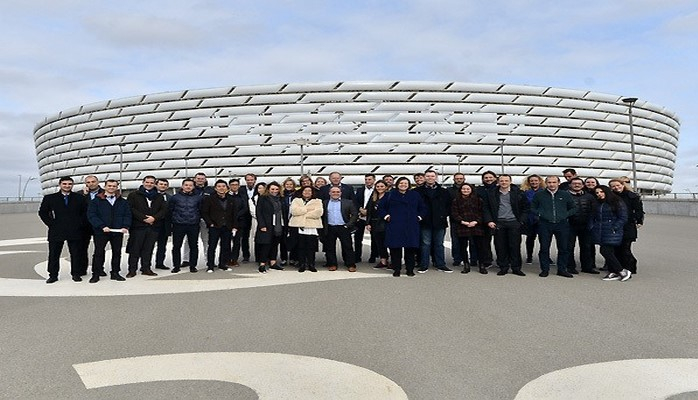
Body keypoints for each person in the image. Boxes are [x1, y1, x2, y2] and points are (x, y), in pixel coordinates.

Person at [38, 176, 88, 283]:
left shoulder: (79, 198)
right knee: (54, 254)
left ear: (72, 185)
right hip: (57, 230)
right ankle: (53, 275)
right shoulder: (50, 198)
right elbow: (42, 212)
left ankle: (76, 274)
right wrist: (51, 224)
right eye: (64, 184)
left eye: (69, 184)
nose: (67, 186)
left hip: (75, 230)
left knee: (76, 253)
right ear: (60, 185)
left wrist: (80, 224)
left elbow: (85, 213)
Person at [378, 177, 427, 277]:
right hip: (395, 224)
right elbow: (381, 207)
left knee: (410, 249)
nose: (403, 185)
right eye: (401, 183)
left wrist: (419, 217)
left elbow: (423, 208)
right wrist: (386, 216)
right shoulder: (390, 194)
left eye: (405, 183)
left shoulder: (415, 195)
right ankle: (397, 269)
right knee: (395, 249)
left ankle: (410, 269)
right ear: (397, 184)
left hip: (411, 225)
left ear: (409, 185)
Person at [531, 176, 576, 278]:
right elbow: (533, 207)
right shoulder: (539, 195)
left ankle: (562, 269)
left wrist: (565, 214)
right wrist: (540, 214)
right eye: (549, 182)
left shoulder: (565, 194)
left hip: (562, 224)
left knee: (563, 248)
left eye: (554, 182)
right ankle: (545, 269)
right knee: (544, 248)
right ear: (546, 183)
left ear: (558, 183)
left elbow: (573, 208)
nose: (552, 184)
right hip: (545, 224)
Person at [87, 179, 131, 283]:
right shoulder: (96, 201)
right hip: (101, 232)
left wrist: (125, 226)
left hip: (117, 232)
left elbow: (128, 215)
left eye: (114, 186)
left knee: (117, 253)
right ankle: (96, 274)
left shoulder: (123, 201)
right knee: (98, 253)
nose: (111, 188)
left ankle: (115, 273)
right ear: (105, 186)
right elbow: (92, 215)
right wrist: (101, 226)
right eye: (109, 186)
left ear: (117, 187)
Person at [483, 174, 528, 276]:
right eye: (502, 181)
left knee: (515, 246)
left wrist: (520, 221)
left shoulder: (518, 193)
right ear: (498, 182)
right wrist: (489, 221)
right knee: (500, 246)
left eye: (506, 181)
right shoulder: (492, 193)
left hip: (514, 222)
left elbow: (526, 208)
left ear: (510, 182)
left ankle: (516, 268)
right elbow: (486, 208)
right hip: (499, 223)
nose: (504, 183)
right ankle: (503, 267)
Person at [126, 175, 168, 278]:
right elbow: (131, 209)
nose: (149, 184)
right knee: (135, 249)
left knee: (148, 249)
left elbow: (163, 210)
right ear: (143, 182)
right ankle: (132, 270)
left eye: (151, 183)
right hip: (138, 226)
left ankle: (146, 268)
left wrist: (154, 218)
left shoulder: (159, 196)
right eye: (147, 182)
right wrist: (144, 218)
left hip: (153, 226)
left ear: (154, 184)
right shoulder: (133, 195)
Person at [590, 185, 631, 282]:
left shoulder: (617, 202)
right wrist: (592, 227)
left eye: (601, 192)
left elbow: (623, 217)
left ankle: (622, 271)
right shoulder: (598, 203)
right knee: (609, 251)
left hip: (611, 230)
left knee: (605, 250)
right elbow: (593, 216)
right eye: (597, 193)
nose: (599, 194)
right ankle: (613, 271)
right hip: (601, 230)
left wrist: (615, 227)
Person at [414, 170, 452, 273]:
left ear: (436, 177)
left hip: (439, 221)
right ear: (425, 177)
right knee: (425, 244)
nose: (430, 178)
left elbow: (449, 205)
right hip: (424, 221)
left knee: (439, 244)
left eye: (432, 176)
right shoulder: (417, 191)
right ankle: (424, 265)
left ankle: (441, 264)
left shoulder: (444, 191)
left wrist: (443, 214)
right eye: (428, 176)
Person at [201, 179, 238, 273]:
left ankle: (223, 264)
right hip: (215, 226)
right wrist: (210, 223)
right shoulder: (209, 199)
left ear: (227, 188)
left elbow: (234, 213)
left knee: (225, 246)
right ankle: (210, 266)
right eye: (219, 186)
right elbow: (204, 212)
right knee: (212, 246)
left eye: (223, 186)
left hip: (227, 226)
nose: (221, 188)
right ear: (215, 188)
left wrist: (234, 226)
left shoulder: (231, 199)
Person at [451, 183, 488, 274]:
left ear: (471, 190)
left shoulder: (478, 200)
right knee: (463, 246)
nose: (465, 190)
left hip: (476, 225)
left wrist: (476, 221)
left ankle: (481, 265)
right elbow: (454, 213)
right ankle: (466, 265)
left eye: (468, 189)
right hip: (462, 225)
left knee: (479, 246)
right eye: (463, 189)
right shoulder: (456, 200)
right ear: (460, 190)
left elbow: (482, 212)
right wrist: (463, 222)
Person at [610, 178, 644, 274]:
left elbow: (638, 210)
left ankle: (630, 267)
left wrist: (638, 221)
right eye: (613, 186)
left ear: (623, 185)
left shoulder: (632, 196)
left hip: (628, 225)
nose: (616, 188)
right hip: (615, 224)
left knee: (625, 247)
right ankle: (618, 267)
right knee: (616, 247)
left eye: (618, 185)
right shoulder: (611, 197)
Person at [169, 179, 204, 273]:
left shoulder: (198, 198)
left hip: (193, 225)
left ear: (193, 187)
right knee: (176, 246)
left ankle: (193, 266)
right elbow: (170, 210)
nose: (188, 187)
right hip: (178, 225)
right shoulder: (175, 197)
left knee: (194, 246)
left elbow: (201, 210)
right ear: (182, 186)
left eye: (190, 185)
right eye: (186, 185)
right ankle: (176, 266)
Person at [322, 186, 358, 271]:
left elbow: (354, 214)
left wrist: (348, 225)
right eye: (333, 192)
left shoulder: (348, 202)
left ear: (341, 193)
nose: (335, 193)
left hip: (343, 227)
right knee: (330, 247)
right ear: (329, 193)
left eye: (337, 192)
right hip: (330, 227)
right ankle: (332, 264)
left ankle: (350, 264)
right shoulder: (324, 203)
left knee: (347, 247)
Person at [566, 177, 598, 274]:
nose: (577, 185)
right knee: (569, 247)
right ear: (570, 185)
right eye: (574, 183)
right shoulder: (565, 196)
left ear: (583, 185)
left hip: (585, 226)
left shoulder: (589, 197)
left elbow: (593, 211)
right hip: (570, 225)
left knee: (586, 247)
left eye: (579, 184)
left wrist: (591, 223)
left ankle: (587, 267)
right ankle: (570, 267)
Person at [289, 186, 324, 272]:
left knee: (311, 247)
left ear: (312, 193)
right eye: (305, 191)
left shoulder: (317, 201)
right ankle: (302, 264)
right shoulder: (296, 200)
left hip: (312, 226)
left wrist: (302, 213)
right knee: (301, 246)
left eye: (309, 191)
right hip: (299, 226)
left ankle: (311, 264)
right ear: (302, 192)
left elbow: (318, 213)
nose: (307, 192)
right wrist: (308, 209)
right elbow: (294, 211)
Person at [255, 181, 285, 273]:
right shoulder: (263, 198)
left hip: (278, 225)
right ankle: (262, 264)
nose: (274, 191)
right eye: (272, 189)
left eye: (276, 189)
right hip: (267, 225)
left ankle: (273, 263)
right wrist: (262, 225)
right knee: (266, 245)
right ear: (268, 189)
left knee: (275, 244)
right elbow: (258, 212)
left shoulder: (281, 199)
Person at [78, 175, 104, 276]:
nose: (91, 184)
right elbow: (78, 209)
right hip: (84, 226)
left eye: (93, 181)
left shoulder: (105, 193)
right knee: (82, 248)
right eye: (88, 182)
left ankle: (98, 270)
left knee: (99, 249)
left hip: (99, 224)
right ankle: (82, 269)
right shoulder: (80, 194)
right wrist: (84, 196)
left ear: (97, 182)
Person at [366, 180, 390, 269]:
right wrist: (368, 223)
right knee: (379, 243)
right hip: (375, 223)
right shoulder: (373, 197)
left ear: (386, 187)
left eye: (382, 186)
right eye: (378, 186)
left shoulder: (389, 196)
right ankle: (383, 261)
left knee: (389, 242)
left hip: (387, 222)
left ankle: (393, 261)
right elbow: (369, 211)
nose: (380, 188)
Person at [354, 173, 376, 263]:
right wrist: (360, 209)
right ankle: (357, 256)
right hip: (360, 216)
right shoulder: (360, 190)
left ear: (374, 180)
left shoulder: (377, 190)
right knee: (358, 238)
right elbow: (355, 201)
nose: (368, 181)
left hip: (372, 217)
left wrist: (368, 211)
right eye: (366, 179)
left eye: (370, 179)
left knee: (374, 238)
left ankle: (373, 256)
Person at [521, 174, 543, 265]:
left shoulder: (544, 191)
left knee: (544, 239)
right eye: (532, 181)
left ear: (539, 181)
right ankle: (529, 256)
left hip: (542, 218)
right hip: (530, 218)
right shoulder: (525, 192)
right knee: (530, 238)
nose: (534, 182)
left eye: (536, 180)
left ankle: (545, 256)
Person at [227, 178, 249, 267]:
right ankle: (227, 258)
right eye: (232, 185)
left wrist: (236, 216)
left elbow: (245, 208)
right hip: (228, 222)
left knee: (237, 242)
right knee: (227, 241)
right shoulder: (226, 196)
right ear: (229, 186)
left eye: (236, 185)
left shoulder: (242, 196)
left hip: (240, 222)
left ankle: (234, 259)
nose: (234, 186)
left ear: (239, 186)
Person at [447, 172, 466, 267]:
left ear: (464, 179)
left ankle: (473, 259)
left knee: (470, 240)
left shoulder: (470, 189)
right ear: (454, 179)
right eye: (457, 178)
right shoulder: (449, 191)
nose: (459, 180)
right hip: (454, 219)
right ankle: (457, 259)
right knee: (455, 240)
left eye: (461, 178)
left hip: (469, 219)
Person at [154, 178, 172, 270]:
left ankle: (160, 263)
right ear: (156, 185)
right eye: (161, 184)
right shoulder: (151, 196)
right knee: (148, 246)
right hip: (152, 224)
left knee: (162, 246)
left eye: (165, 184)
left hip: (164, 225)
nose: (163, 186)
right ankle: (145, 265)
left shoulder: (170, 197)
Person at [280, 177, 298, 267]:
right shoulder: (281, 196)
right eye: (287, 184)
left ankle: (293, 258)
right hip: (284, 220)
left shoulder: (297, 195)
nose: (289, 186)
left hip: (294, 220)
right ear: (284, 185)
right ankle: (283, 258)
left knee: (294, 239)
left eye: (291, 184)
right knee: (283, 240)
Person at [240, 173, 258, 262]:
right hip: (244, 216)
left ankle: (259, 255)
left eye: (251, 179)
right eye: (248, 180)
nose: (250, 181)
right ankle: (246, 255)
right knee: (244, 236)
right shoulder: (241, 189)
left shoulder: (259, 189)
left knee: (258, 235)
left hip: (256, 216)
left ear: (255, 180)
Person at [248, 182, 266, 264]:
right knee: (258, 239)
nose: (261, 190)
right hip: (256, 221)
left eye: (263, 188)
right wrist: (261, 217)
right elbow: (253, 212)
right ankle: (258, 257)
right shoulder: (252, 199)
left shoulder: (269, 198)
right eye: (259, 188)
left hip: (268, 221)